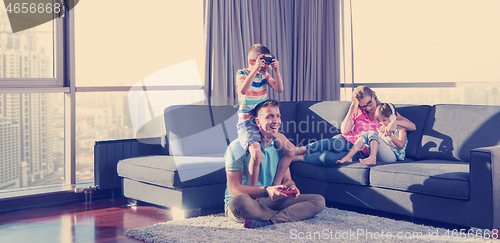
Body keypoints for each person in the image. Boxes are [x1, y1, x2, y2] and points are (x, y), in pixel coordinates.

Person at [224, 99, 325, 228]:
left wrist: (291, 188)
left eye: (278, 116)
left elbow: (288, 180)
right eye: (269, 116)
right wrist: (266, 190)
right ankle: (285, 215)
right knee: (240, 200)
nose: (276, 121)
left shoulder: (280, 147)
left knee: (318, 201)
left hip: (270, 201)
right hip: (246, 202)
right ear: (257, 122)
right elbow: (235, 190)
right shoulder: (237, 147)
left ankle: (269, 220)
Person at [294, 85, 416, 165]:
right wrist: (353, 107)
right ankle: (299, 150)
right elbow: (345, 131)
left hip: (361, 151)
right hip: (347, 140)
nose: (368, 108)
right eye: (364, 106)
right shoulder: (358, 110)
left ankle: (299, 158)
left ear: (374, 95)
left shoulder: (385, 112)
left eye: (369, 103)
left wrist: (394, 122)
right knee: (334, 143)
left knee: (329, 158)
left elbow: (412, 126)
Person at [235, 44, 295, 187]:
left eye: (267, 64)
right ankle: (254, 191)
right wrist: (255, 70)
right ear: (252, 62)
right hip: (248, 122)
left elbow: (279, 89)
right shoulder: (242, 73)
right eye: (262, 64)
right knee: (257, 155)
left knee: (290, 150)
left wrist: (276, 70)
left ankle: (276, 184)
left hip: (264, 122)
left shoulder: (265, 75)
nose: (264, 68)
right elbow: (242, 90)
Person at [336, 103, 408, 165]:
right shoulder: (382, 129)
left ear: (392, 117)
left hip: (393, 156)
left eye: (384, 120)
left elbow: (401, 145)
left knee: (372, 133)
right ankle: (349, 157)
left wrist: (390, 136)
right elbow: (378, 142)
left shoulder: (401, 129)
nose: (383, 123)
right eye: (380, 121)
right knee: (366, 133)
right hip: (381, 155)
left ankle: (372, 158)